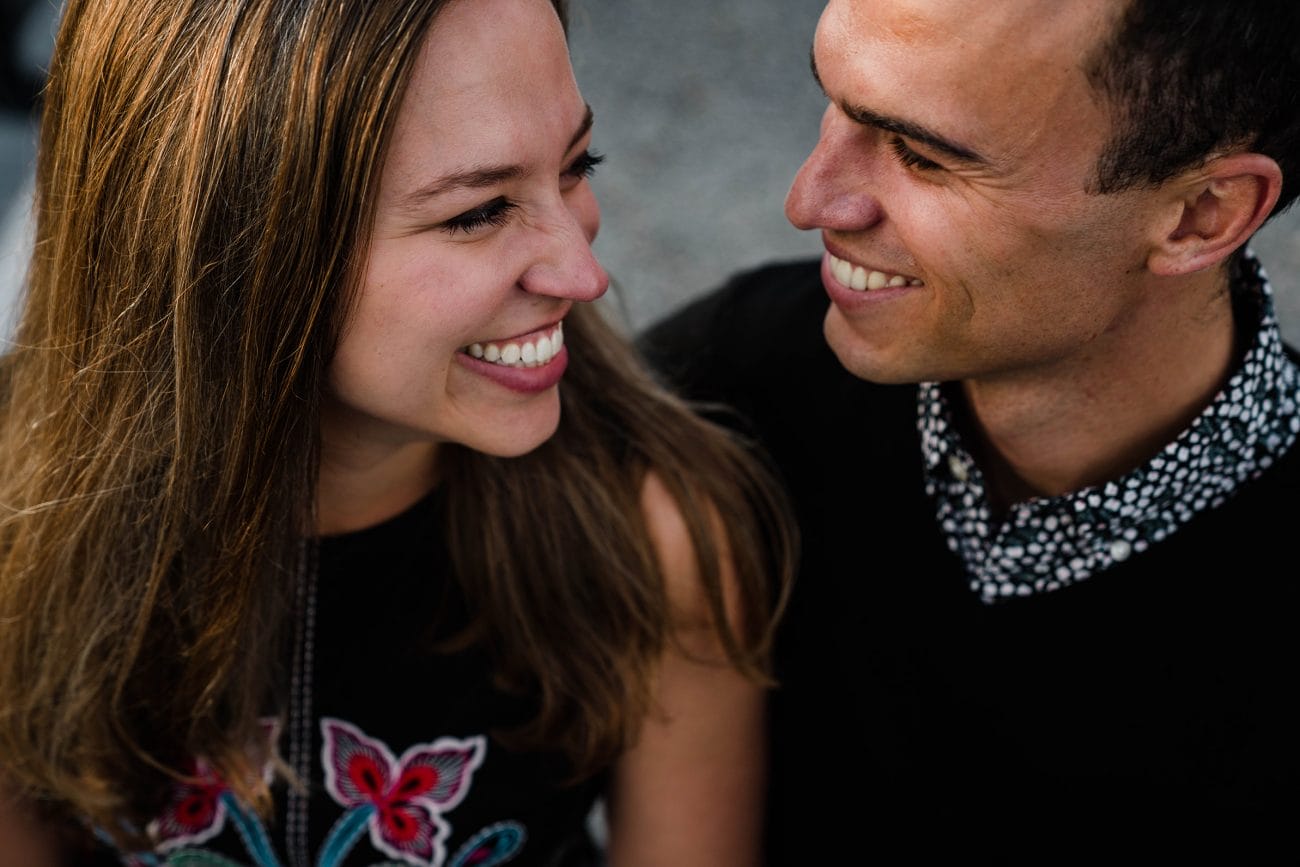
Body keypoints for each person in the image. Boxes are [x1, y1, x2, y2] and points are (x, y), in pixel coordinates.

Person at [0, 1, 795, 865]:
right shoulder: (19, 519)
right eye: (479, 211)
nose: (583, 270)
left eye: (576, 165)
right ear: (229, 242)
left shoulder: (659, 535)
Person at [640, 0, 1300, 862]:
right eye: (834, 104)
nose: (810, 200)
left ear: (1202, 214)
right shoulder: (733, 383)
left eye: (921, 155)